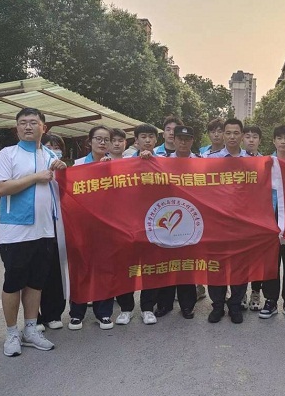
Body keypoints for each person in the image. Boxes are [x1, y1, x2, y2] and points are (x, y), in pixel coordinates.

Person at [0, 107, 66, 357]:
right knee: (13, 283)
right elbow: (2, 188)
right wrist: (36, 177)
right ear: (16, 128)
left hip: (45, 230)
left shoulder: (50, 155)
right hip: (16, 231)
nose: (27, 126)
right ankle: (12, 333)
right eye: (23, 122)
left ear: (43, 127)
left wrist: (61, 169)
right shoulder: (7, 154)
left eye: (33, 122)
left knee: (36, 283)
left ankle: (31, 329)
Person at [115, 123, 164, 325]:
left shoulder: (164, 161)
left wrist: (153, 163)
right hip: (128, 223)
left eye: (151, 136)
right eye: (143, 136)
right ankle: (125, 308)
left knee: (151, 267)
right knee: (125, 266)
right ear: (136, 140)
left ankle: (147, 307)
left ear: (156, 140)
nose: (147, 140)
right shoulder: (124, 162)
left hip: (154, 222)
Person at [67, 126, 115, 331]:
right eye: (98, 139)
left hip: (107, 227)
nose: (102, 143)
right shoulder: (78, 165)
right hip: (82, 226)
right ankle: (76, 313)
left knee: (105, 270)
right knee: (81, 268)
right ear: (90, 141)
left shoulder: (118, 166)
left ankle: (103, 312)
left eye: (106, 139)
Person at [154, 126, 201, 319]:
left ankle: (187, 305)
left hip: (191, 218)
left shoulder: (201, 162)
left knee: (187, 263)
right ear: (173, 140)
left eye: (187, 139)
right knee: (167, 262)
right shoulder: (161, 161)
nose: (183, 142)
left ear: (192, 141)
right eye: (179, 138)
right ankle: (164, 304)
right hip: (168, 215)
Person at [205, 118, 249, 323]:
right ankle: (217, 305)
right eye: (228, 133)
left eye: (236, 133)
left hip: (242, 223)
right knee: (216, 264)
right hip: (216, 222)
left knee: (239, 265)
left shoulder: (253, 161)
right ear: (223, 135)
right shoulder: (208, 159)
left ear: (242, 135)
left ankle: (235, 304)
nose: (232, 137)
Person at [259, 125, 285, 322]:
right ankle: (270, 300)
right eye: (279, 138)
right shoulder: (265, 163)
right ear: (274, 141)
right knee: (270, 260)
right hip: (270, 215)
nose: (283, 142)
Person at [36, 133, 67, 332]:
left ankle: (53, 314)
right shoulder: (34, 168)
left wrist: (64, 173)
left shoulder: (65, 169)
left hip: (58, 227)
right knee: (36, 272)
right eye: (49, 146)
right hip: (37, 225)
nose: (54, 150)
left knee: (56, 271)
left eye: (57, 147)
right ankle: (35, 317)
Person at [240, 124, 265, 311]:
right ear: (243, 139)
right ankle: (240, 293)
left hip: (259, 218)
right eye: (247, 136)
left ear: (259, 140)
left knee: (257, 258)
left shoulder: (266, 162)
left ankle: (256, 293)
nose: (251, 140)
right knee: (241, 258)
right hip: (238, 217)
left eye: (254, 137)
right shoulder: (234, 161)